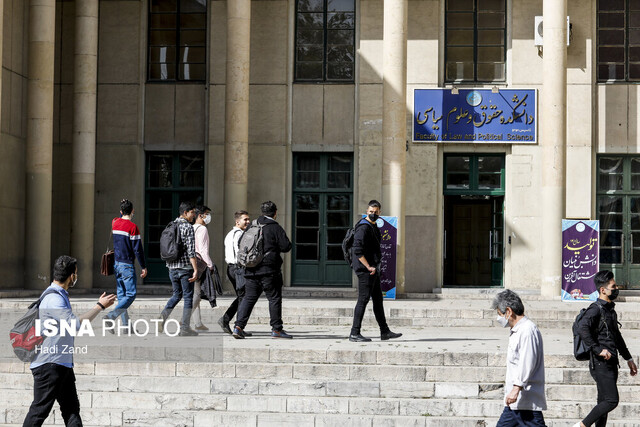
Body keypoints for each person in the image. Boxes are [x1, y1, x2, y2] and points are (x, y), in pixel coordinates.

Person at [23, 255, 116, 427]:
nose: (76, 277)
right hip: (49, 365)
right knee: (39, 411)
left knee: (71, 409)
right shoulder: (54, 299)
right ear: (71, 276)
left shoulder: (57, 295)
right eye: (76, 273)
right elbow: (74, 325)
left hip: (61, 363)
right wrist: (99, 306)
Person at [573, 270, 638, 427]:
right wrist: (597, 349)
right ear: (603, 290)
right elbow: (582, 328)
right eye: (613, 286)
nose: (616, 289)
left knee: (603, 402)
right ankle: (581, 425)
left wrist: (628, 358)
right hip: (600, 363)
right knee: (611, 400)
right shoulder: (595, 309)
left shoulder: (609, 310)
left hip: (611, 362)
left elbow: (617, 337)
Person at [233, 201, 292, 339]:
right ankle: (276, 329)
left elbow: (240, 243)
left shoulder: (252, 225)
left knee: (248, 298)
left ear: (262, 212)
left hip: (251, 269)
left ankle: (238, 327)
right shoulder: (274, 227)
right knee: (274, 299)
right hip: (269, 271)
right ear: (275, 213)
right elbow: (286, 246)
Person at [491, 289, 547, 426]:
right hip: (516, 403)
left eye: (500, 314)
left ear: (508, 311)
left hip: (526, 402)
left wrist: (516, 389)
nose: (499, 318)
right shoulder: (518, 330)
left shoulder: (527, 330)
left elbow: (527, 362)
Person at [349, 200, 402, 342]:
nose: (373, 214)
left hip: (373, 271)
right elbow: (357, 250)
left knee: (378, 300)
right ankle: (354, 333)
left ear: (380, 212)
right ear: (367, 211)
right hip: (366, 270)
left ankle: (384, 332)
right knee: (363, 300)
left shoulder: (373, 226)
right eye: (371, 212)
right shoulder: (363, 228)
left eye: (376, 212)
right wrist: (368, 267)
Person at [104, 199, 147, 330]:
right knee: (131, 294)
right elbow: (138, 250)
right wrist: (144, 266)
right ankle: (111, 316)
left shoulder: (115, 223)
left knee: (122, 295)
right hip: (127, 265)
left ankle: (126, 326)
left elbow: (116, 217)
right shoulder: (133, 227)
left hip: (116, 264)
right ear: (133, 211)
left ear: (121, 211)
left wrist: (123, 204)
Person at [159, 201, 199, 336]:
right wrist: (195, 269)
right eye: (193, 212)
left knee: (176, 294)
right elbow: (191, 251)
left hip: (171, 267)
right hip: (185, 268)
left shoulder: (171, 224)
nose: (194, 215)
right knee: (188, 297)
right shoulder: (188, 227)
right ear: (185, 213)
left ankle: (163, 317)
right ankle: (185, 328)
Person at [218, 210, 252, 335]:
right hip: (238, 268)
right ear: (237, 221)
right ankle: (234, 325)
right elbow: (241, 253)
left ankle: (231, 323)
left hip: (232, 268)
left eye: (248, 219)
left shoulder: (230, 233)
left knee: (242, 296)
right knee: (246, 297)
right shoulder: (239, 235)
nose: (248, 222)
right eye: (245, 220)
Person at [191, 205, 213, 331]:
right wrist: (210, 264)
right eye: (207, 214)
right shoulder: (202, 229)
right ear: (200, 215)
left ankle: (198, 323)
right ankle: (183, 319)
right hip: (199, 264)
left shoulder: (191, 228)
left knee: (195, 293)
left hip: (190, 263)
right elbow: (203, 250)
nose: (209, 216)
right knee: (198, 294)